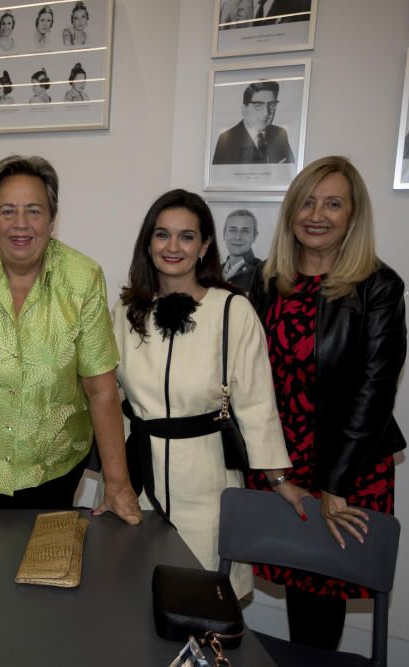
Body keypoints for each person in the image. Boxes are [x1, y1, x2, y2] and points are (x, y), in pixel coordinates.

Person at [245, 155, 407, 650]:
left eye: (333, 204)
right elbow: (246, 373)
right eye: (308, 202)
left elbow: (375, 389)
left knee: (321, 594)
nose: (317, 215)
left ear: (353, 215)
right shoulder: (268, 280)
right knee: (294, 579)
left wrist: (336, 484)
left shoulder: (378, 287)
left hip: (345, 465)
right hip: (278, 460)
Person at [0, 155, 141, 523]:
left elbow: (101, 388)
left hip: (55, 468)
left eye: (34, 211)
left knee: (45, 569)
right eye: (7, 211)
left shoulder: (83, 277)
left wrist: (118, 483)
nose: (20, 224)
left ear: (52, 219)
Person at [113, 189, 300, 597]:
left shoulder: (233, 309)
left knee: (204, 605)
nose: (173, 247)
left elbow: (256, 402)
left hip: (206, 483)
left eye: (186, 236)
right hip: (137, 479)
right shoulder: (126, 312)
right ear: (148, 242)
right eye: (162, 235)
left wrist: (278, 478)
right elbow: (105, 396)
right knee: (134, 600)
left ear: (205, 246)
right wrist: (112, 481)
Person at [212, 81, 295, 165]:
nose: (266, 113)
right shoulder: (227, 140)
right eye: (258, 105)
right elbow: (219, 176)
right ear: (244, 109)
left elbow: (291, 170)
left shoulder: (279, 134)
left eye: (272, 105)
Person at [221, 209, 261, 292]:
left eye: (245, 231)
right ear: (224, 233)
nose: (237, 237)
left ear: (255, 236)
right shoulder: (214, 271)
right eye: (233, 230)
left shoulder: (262, 273)